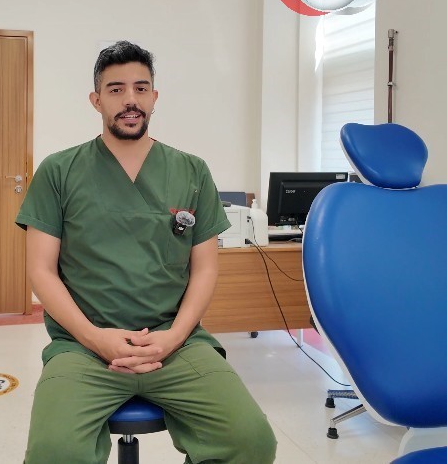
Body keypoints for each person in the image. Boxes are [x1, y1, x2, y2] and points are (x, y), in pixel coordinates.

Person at [16, 41, 277, 463]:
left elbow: (205, 270)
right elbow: (41, 271)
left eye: (140, 88)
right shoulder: (59, 172)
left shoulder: (191, 171)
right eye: (116, 89)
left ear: (154, 97)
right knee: (54, 451)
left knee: (250, 439)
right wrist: (95, 338)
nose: (130, 100)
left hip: (176, 342)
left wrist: (173, 336)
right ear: (96, 100)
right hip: (83, 346)